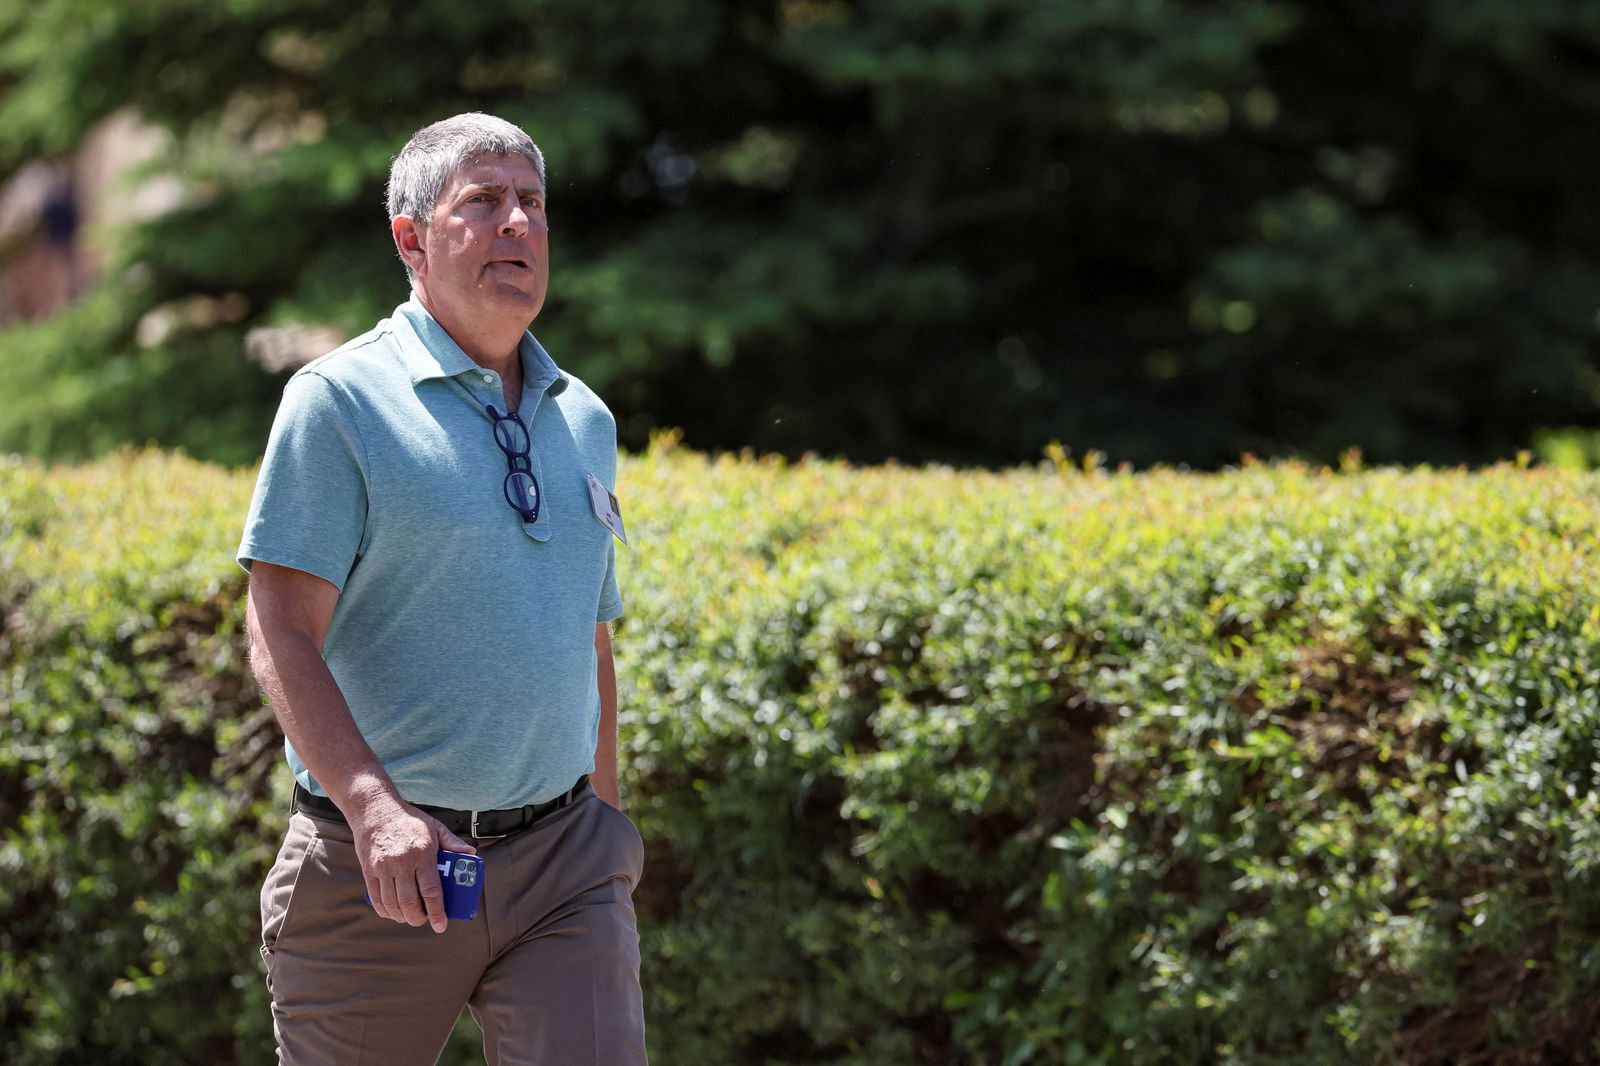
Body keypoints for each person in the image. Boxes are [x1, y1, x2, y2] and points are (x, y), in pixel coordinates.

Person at [238, 112, 645, 1066]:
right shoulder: (337, 402)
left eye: (534, 203)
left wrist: (609, 827)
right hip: (378, 868)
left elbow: (589, 635)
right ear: (411, 239)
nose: (519, 224)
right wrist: (375, 811)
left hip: (567, 868)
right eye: (485, 202)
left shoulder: (583, 417)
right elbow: (279, 629)